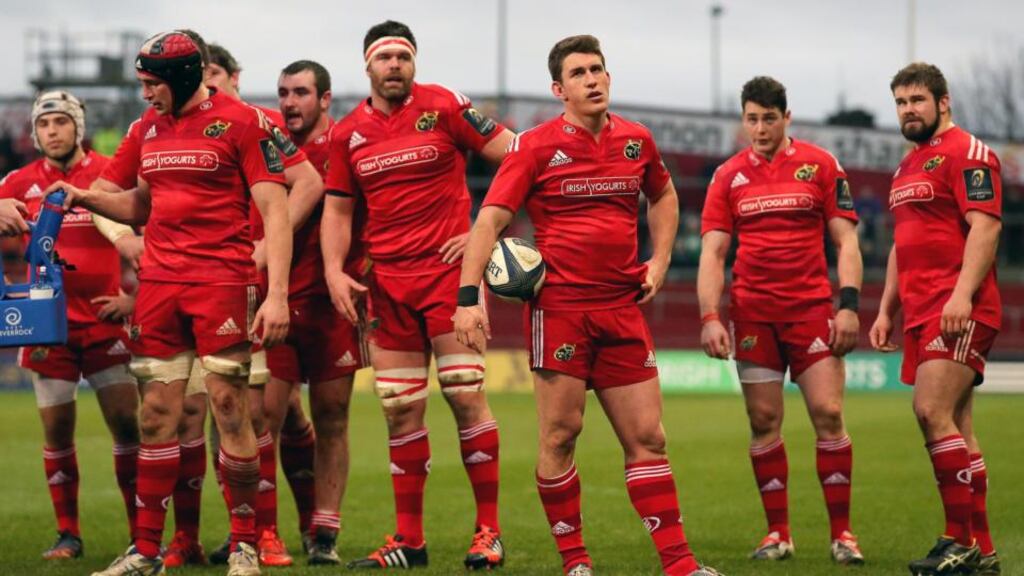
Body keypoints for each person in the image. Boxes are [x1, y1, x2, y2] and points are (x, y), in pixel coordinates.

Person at [454, 35, 721, 576]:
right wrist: (467, 298)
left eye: (598, 69)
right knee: (560, 435)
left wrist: (661, 260)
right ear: (559, 89)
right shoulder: (533, 146)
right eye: (579, 73)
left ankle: (680, 565)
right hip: (560, 312)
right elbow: (489, 221)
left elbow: (664, 196)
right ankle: (575, 561)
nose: (593, 79)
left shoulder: (636, 140)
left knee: (649, 438)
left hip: (622, 308)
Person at [46, 30, 292, 576]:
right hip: (159, 286)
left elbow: (275, 210)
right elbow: (136, 202)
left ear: (183, 79)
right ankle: (146, 551)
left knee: (231, 410)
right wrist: (85, 196)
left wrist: (276, 295)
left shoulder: (245, 123)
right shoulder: (145, 129)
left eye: (152, 84)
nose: (145, 94)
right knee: (157, 414)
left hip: (222, 282)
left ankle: (245, 544)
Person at [323, 20, 513, 570]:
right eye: (385, 57)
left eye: (404, 56)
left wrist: (484, 231)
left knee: (462, 392)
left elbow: (515, 157)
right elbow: (337, 209)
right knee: (400, 409)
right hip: (387, 286)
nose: (395, 65)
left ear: (414, 63)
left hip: (449, 280)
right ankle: (410, 540)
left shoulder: (447, 106)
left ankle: (489, 533)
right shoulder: (348, 133)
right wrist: (336, 271)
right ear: (368, 66)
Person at [164, 39, 322, 569]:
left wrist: (265, 245)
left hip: (255, 283)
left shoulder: (253, 121)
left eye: (213, 74)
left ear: (232, 75)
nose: (204, 86)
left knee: (255, 410)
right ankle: (200, 535)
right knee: (202, 411)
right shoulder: (170, 126)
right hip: (202, 283)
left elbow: (308, 182)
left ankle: (269, 532)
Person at [696, 76, 864, 564]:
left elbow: (846, 242)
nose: (761, 127)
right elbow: (714, 252)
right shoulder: (727, 176)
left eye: (770, 118)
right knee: (764, 419)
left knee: (828, 415)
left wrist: (848, 305)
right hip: (752, 315)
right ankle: (778, 534)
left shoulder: (820, 165)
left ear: (787, 118)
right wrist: (710, 316)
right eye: (752, 118)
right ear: (743, 119)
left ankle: (843, 535)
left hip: (810, 311)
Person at [870, 62, 1002, 576]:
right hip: (921, 311)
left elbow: (985, 228)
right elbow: (904, 246)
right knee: (957, 427)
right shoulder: (906, 168)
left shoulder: (968, 153)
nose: (908, 110)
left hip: (957, 308)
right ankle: (982, 550)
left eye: (917, 101)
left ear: (943, 102)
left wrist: (962, 296)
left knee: (930, 411)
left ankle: (959, 542)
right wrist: (886, 309)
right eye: (901, 103)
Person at [0, 90, 140, 560]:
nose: (52, 131)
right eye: (44, 125)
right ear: (35, 133)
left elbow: (146, 231)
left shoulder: (110, 173)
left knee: (127, 425)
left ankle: (141, 535)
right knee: (57, 430)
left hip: (104, 322)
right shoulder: (17, 182)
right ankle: (68, 534)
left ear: (77, 127)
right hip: (45, 326)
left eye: (61, 122)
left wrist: (131, 298)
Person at [256, 58, 369, 565]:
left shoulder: (347, 144)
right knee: (264, 417)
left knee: (332, 417)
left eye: (300, 92)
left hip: (332, 305)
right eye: (283, 93)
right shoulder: (265, 148)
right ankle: (263, 532)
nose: (288, 103)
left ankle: (324, 535)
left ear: (325, 99)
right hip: (275, 299)